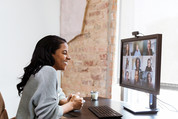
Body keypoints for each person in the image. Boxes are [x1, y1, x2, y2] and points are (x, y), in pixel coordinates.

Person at [16, 35, 84, 119]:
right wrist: (72, 105)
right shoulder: (47, 72)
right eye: (64, 53)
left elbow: (57, 92)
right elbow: (49, 115)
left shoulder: (39, 70)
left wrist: (65, 101)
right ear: (51, 54)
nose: (68, 57)